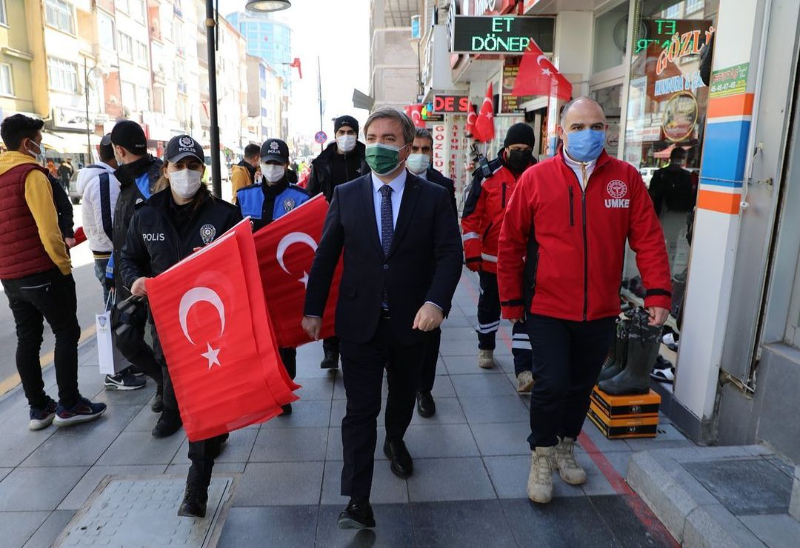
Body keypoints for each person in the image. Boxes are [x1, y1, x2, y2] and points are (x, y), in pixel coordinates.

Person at [497, 97, 672, 504]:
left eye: (595, 126)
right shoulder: (536, 179)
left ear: (606, 131)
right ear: (559, 132)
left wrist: (659, 292)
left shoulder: (625, 179)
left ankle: (565, 445)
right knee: (552, 383)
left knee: (580, 386)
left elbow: (647, 239)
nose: (587, 134)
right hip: (547, 307)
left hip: (600, 309)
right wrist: (510, 300)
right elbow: (510, 243)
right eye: (577, 127)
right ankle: (541, 454)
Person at [302, 108, 462, 530]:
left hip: (414, 323)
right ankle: (357, 500)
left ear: (407, 148)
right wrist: (313, 308)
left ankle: (394, 438)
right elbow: (326, 255)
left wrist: (436, 303)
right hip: (359, 322)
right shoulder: (347, 194)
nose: (376, 145)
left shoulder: (432, 197)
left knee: (402, 397)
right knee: (359, 410)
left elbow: (450, 255)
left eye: (388, 138)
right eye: (371, 136)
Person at [119, 134, 242, 518]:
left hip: (213, 328)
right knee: (185, 396)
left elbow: (243, 267)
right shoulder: (146, 214)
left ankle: (196, 486)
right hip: (166, 325)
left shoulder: (223, 216)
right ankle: (198, 423)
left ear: (202, 171)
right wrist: (135, 281)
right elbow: (128, 261)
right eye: (178, 165)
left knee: (201, 401)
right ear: (166, 169)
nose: (185, 173)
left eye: (193, 166)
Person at [0, 114, 107, 430]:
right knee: (66, 332)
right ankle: (70, 404)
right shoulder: (30, 175)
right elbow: (48, 230)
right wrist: (62, 265)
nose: (41, 145)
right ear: (26, 143)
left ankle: (38, 408)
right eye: (38, 139)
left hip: (11, 276)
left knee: (27, 337)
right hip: (42, 271)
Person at [461, 123, 536, 391]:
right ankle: (486, 346)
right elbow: (470, 217)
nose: (521, 154)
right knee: (489, 304)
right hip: (491, 259)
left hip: (527, 263)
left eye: (527, 150)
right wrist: (471, 253)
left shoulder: (540, 174)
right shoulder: (486, 174)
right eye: (516, 149)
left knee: (524, 314)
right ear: (505, 147)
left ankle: (524, 370)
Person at [237, 138, 309, 414]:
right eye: (268, 162)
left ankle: (284, 389)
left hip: (285, 281)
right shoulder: (244, 197)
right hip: (253, 279)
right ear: (259, 163)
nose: (272, 167)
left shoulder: (301, 199)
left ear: (286, 165)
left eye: (278, 163)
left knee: (285, 340)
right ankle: (264, 387)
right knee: (257, 338)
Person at [110, 121, 170, 425]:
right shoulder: (126, 181)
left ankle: (169, 393)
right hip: (128, 277)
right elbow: (122, 236)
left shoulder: (155, 178)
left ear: (119, 150)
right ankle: (162, 380)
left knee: (163, 343)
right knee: (124, 336)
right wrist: (113, 271)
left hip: (157, 277)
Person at [78, 134, 146, 391]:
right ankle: (115, 371)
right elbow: (112, 225)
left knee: (120, 310)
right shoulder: (105, 180)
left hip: (110, 254)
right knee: (117, 313)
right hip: (111, 257)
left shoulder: (102, 178)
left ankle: (129, 360)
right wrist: (124, 254)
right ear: (117, 152)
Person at [307, 115, 367, 370]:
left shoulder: (367, 158)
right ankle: (331, 349)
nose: (346, 136)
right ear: (334, 134)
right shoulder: (322, 164)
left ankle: (362, 341)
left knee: (361, 288)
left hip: (363, 234)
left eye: (350, 131)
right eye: (341, 131)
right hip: (331, 233)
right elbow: (310, 200)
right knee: (331, 290)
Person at [405, 127, 457, 418]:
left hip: (429, 276)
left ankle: (424, 389)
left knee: (428, 336)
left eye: (426, 150)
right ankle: (400, 381)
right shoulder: (390, 180)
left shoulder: (442, 186)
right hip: (396, 277)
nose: (421, 155)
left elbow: (448, 239)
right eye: (416, 149)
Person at [648, 147, 696, 267]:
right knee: (659, 243)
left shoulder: (686, 176)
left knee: (670, 244)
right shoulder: (661, 174)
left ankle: (666, 266)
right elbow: (652, 194)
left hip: (675, 216)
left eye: (680, 158)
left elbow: (690, 199)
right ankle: (660, 266)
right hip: (663, 214)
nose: (678, 161)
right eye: (678, 158)